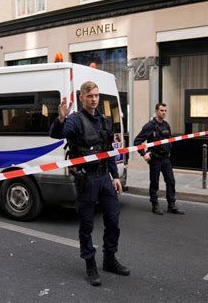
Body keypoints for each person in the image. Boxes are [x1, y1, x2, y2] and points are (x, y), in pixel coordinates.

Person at [49, 81, 130, 286]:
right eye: (90, 96)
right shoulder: (74, 121)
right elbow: (56, 134)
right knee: (86, 225)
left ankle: (110, 259)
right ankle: (90, 264)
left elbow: (109, 151)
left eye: (96, 95)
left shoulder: (104, 120)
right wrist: (60, 117)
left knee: (113, 220)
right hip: (87, 180)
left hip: (104, 177)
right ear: (82, 98)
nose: (94, 99)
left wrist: (115, 177)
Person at [134, 103, 184, 215]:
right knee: (154, 182)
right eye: (161, 110)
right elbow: (137, 142)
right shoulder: (150, 126)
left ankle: (171, 205)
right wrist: (144, 154)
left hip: (166, 159)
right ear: (156, 111)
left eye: (165, 110)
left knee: (171, 181)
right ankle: (155, 204)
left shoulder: (166, 125)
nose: (164, 113)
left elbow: (168, 140)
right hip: (155, 159)